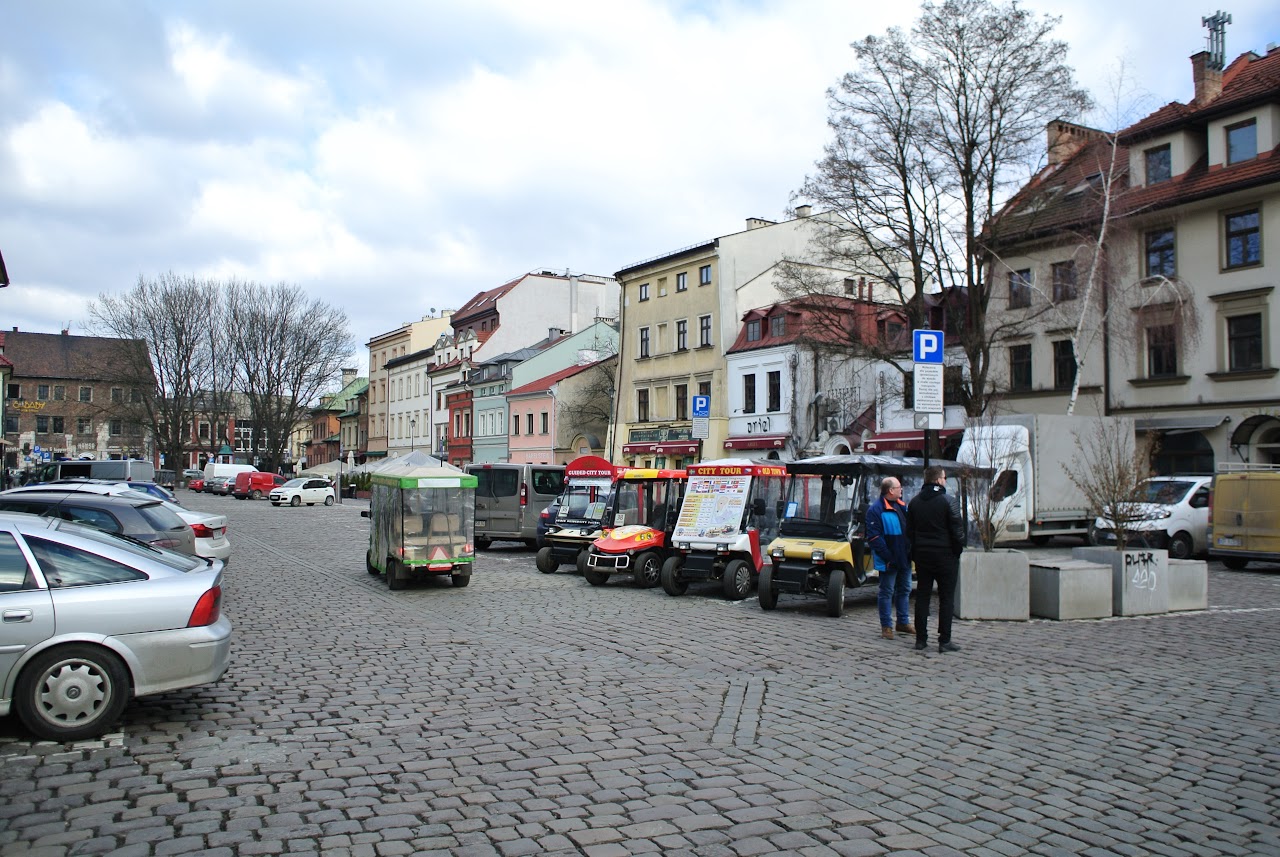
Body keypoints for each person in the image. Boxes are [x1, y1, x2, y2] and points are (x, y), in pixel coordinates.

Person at [907, 465, 966, 653]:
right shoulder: (948, 501)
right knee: (946, 597)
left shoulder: (914, 503)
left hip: (923, 555)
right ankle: (944, 640)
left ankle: (921, 639)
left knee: (922, 596)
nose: (945, 481)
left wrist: (914, 553)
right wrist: (957, 551)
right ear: (939, 480)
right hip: (945, 554)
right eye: (944, 478)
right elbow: (957, 531)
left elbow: (909, 533)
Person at [865, 475, 913, 640]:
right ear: (891, 490)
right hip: (890, 559)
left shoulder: (902, 506)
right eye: (899, 487)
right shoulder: (876, 510)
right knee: (887, 591)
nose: (901, 490)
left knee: (905, 589)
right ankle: (886, 626)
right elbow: (874, 538)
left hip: (904, 557)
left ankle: (903, 622)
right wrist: (889, 556)